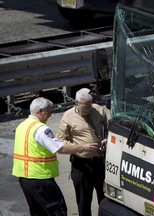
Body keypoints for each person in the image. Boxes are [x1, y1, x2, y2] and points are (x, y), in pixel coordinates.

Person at [12, 97, 98, 216]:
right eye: (50, 111)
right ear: (41, 111)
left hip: (24, 178)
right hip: (40, 179)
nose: (50, 115)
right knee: (57, 211)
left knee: (38, 212)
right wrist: (84, 147)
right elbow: (60, 148)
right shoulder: (41, 129)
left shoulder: (22, 126)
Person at [57, 88, 109, 216]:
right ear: (76, 103)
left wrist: (106, 140)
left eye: (90, 105)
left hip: (99, 163)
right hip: (82, 165)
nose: (88, 109)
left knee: (105, 199)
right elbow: (60, 143)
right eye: (85, 106)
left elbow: (107, 129)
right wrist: (82, 147)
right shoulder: (68, 117)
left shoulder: (99, 110)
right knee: (84, 202)